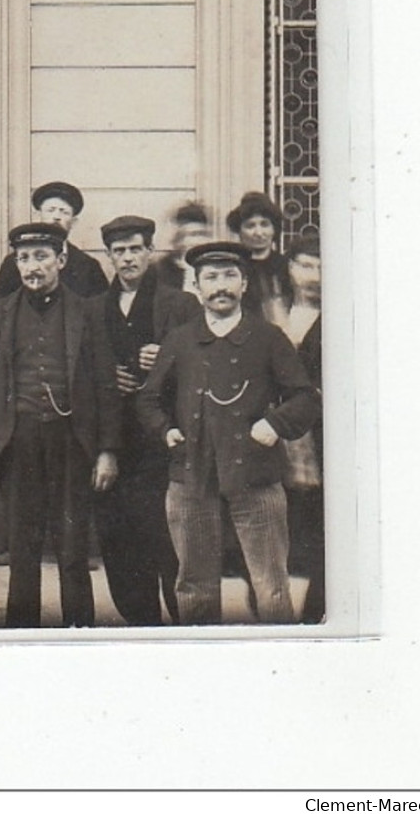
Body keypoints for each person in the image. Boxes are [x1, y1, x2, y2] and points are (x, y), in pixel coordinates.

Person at [137, 241, 320, 624]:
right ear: (197, 287)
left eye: (229, 276)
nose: (221, 286)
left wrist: (275, 424)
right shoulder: (180, 340)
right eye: (211, 278)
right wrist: (165, 430)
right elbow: (148, 400)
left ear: (244, 284)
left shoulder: (269, 338)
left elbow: (305, 398)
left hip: (256, 476)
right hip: (191, 475)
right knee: (194, 586)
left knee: (270, 584)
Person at [0, 222, 121, 628]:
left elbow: (105, 385)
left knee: (72, 549)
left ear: (61, 260)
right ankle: (20, 635)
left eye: (41, 257)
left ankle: (80, 635)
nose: (31, 267)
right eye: (23, 258)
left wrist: (107, 451)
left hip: (72, 442)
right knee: (22, 549)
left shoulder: (87, 314)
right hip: (18, 441)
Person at [92, 215, 199, 626]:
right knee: (120, 541)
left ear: (150, 252)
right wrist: (106, 376)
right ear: (109, 256)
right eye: (119, 251)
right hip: (114, 441)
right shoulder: (95, 308)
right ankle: (142, 626)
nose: (127, 258)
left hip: (163, 440)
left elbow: (198, 363)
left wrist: (165, 361)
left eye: (135, 249)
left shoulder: (180, 304)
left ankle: (184, 623)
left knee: (169, 538)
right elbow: (84, 369)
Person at [281, 234, 325, 623]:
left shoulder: (339, 318)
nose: (313, 275)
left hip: (319, 440)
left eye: (322, 266)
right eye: (305, 265)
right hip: (275, 438)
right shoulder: (276, 314)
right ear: (290, 267)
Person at [0, 181, 109, 298]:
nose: (56, 217)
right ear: (38, 215)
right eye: (50, 210)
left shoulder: (88, 266)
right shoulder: (13, 263)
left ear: (73, 222)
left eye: (64, 212)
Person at [226, 191, 292, 324]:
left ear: (274, 229)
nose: (258, 233)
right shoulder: (233, 267)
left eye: (265, 224)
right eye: (250, 226)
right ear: (239, 230)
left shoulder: (287, 266)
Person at [152, 202, 215, 295]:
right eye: (193, 235)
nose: (199, 241)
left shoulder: (216, 267)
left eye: (203, 234)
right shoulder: (161, 271)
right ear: (179, 239)